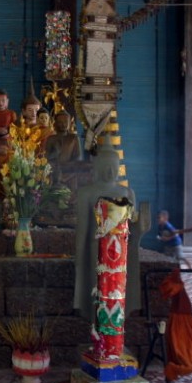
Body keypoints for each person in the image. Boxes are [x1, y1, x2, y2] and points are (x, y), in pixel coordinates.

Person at [74, 142, 136, 362]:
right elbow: (82, 230)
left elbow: (133, 227)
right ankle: (98, 340)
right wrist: (79, 259)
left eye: (114, 165)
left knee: (118, 299)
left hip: (122, 259)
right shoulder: (87, 192)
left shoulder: (127, 192)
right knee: (96, 298)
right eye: (106, 165)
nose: (110, 170)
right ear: (97, 167)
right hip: (95, 255)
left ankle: (114, 343)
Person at [0, 89, 16, 168]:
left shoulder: (11, 114)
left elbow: (15, 129)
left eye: (3, 100)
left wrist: (7, 132)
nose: (0, 103)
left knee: (7, 162)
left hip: (7, 142)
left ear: (7, 101)